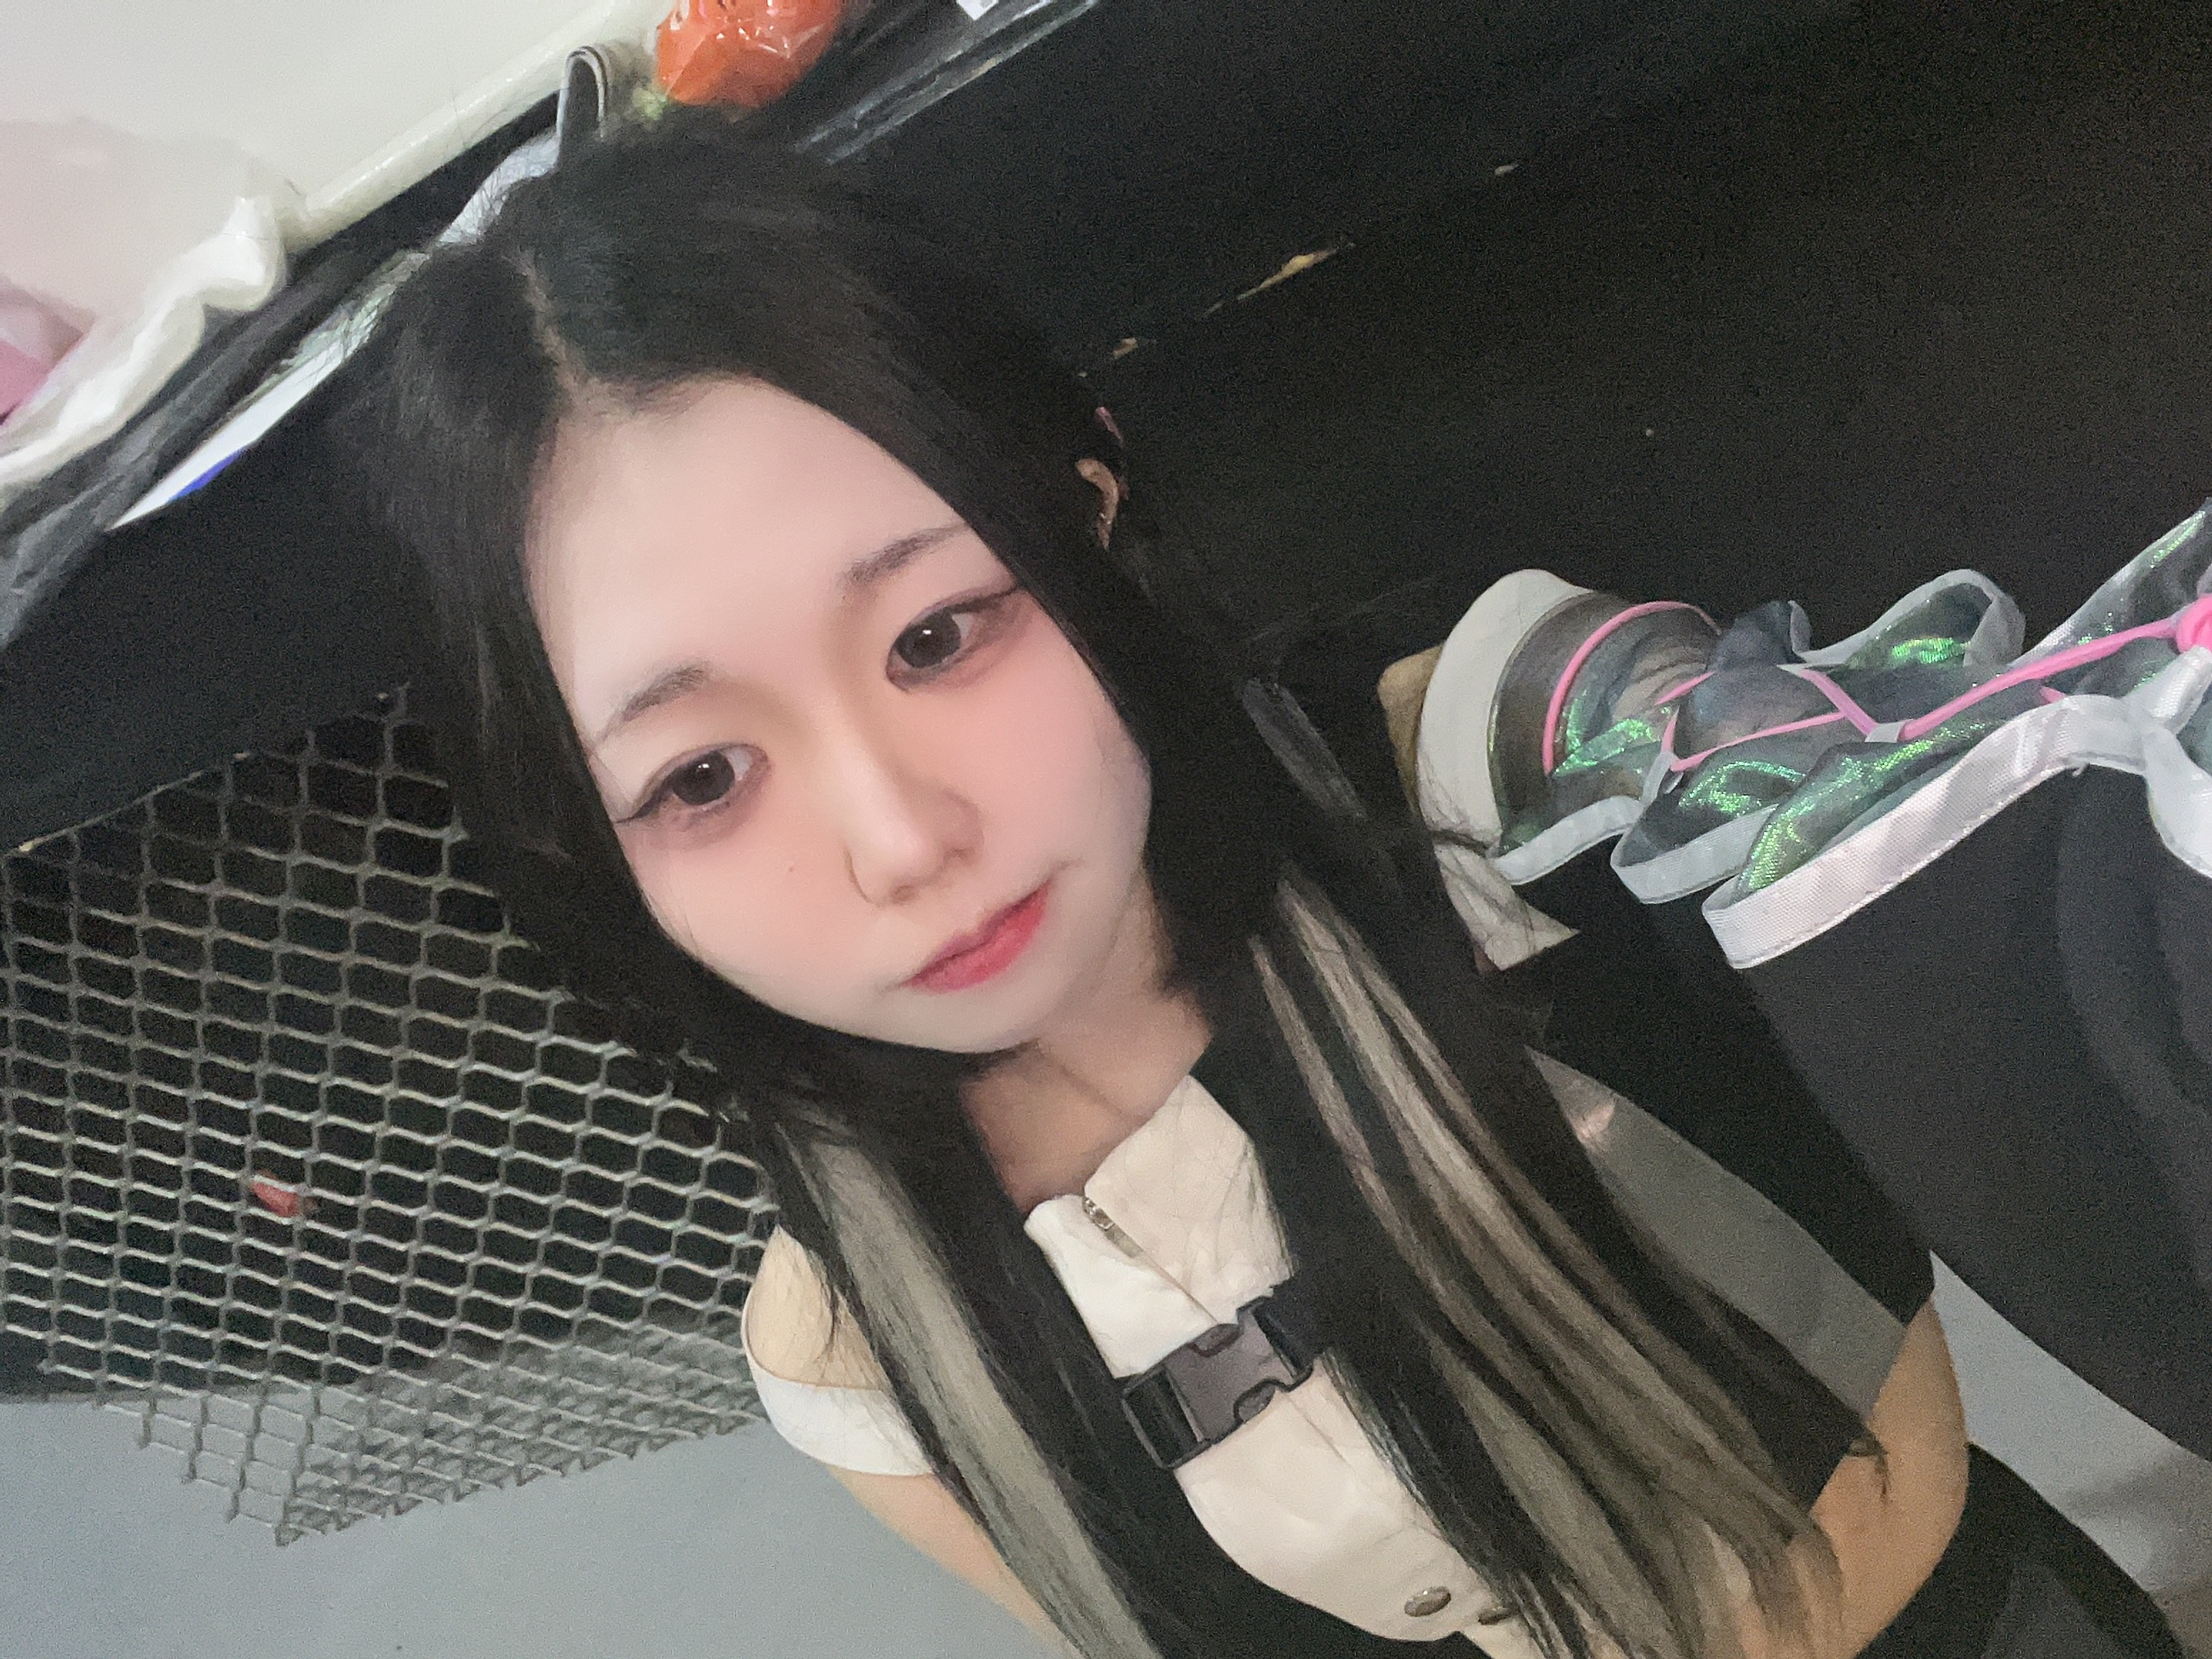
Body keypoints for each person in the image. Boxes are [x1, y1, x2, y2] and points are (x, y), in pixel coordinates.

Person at [342, 112, 2186, 1659]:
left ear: (1082, 516)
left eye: (938, 636)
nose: (898, 843)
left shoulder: (1497, 778)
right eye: (700, 778)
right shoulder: (862, 1347)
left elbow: (1950, 796)